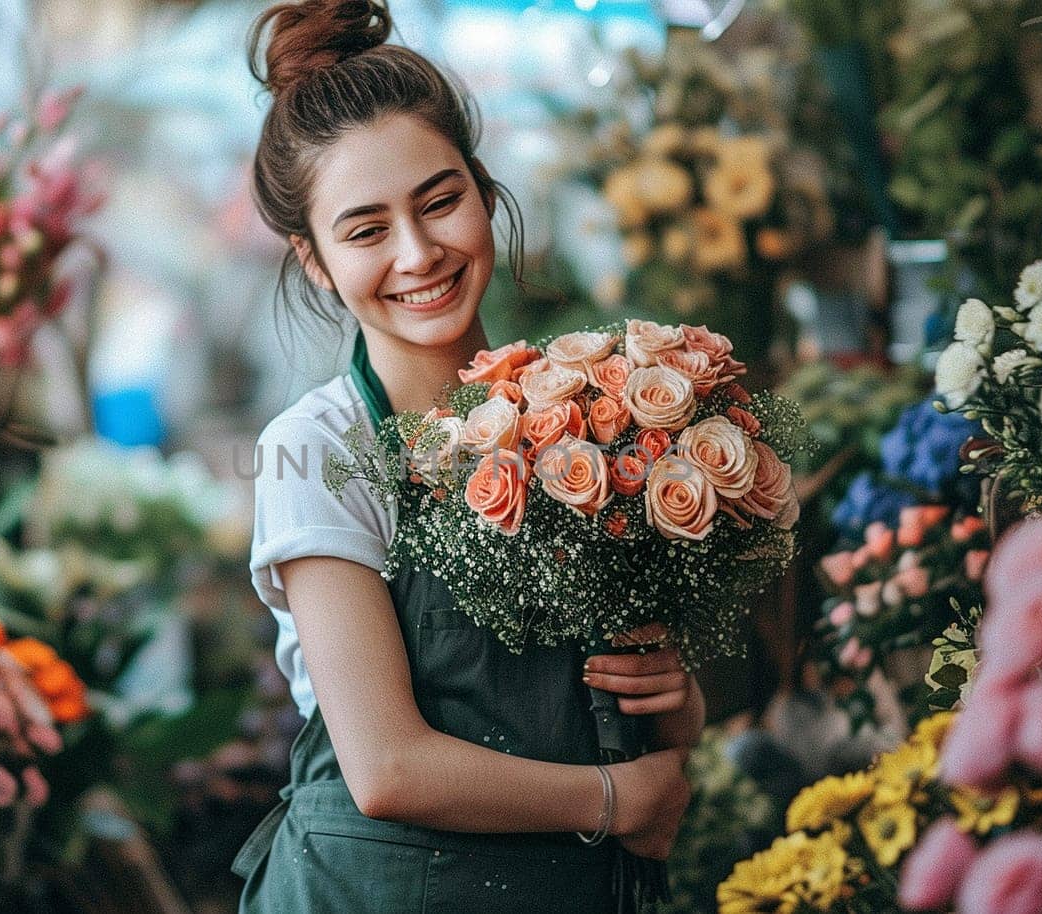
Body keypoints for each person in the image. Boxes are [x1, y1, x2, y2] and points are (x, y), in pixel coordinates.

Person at [235, 1, 701, 909]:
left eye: (439, 201)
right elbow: (386, 768)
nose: (418, 253)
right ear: (317, 260)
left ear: (483, 193)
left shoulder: (592, 411)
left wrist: (670, 693)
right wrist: (614, 801)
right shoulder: (319, 449)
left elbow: (652, 713)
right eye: (366, 230)